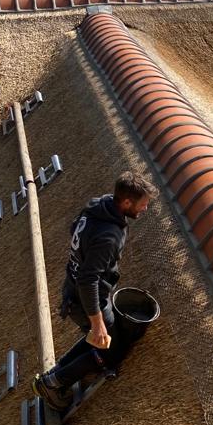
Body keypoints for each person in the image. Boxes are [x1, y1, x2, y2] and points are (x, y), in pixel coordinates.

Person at [32, 171, 158, 411]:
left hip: (76, 288)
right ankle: (54, 383)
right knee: (110, 350)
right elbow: (88, 281)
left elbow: (73, 228)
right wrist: (97, 322)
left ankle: (54, 373)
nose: (145, 209)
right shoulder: (108, 237)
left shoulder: (100, 204)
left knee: (101, 339)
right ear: (127, 202)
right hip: (86, 299)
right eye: (143, 204)